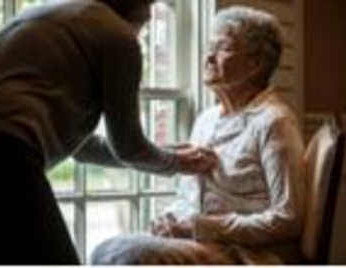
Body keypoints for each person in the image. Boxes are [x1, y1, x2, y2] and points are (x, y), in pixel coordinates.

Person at [0, 0, 216, 264]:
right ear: (140, 12)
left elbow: (84, 149)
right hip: (3, 154)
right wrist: (177, 163)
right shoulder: (117, 35)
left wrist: (169, 153)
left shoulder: (48, 15)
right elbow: (129, 147)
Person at [90, 5, 306, 265]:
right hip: (203, 244)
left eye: (223, 48)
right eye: (209, 47)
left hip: (249, 254)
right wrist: (170, 220)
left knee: (127, 255)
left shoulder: (274, 121)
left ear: (256, 63)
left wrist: (201, 227)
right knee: (107, 250)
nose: (209, 57)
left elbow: (288, 219)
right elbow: (189, 198)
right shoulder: (206, 119)